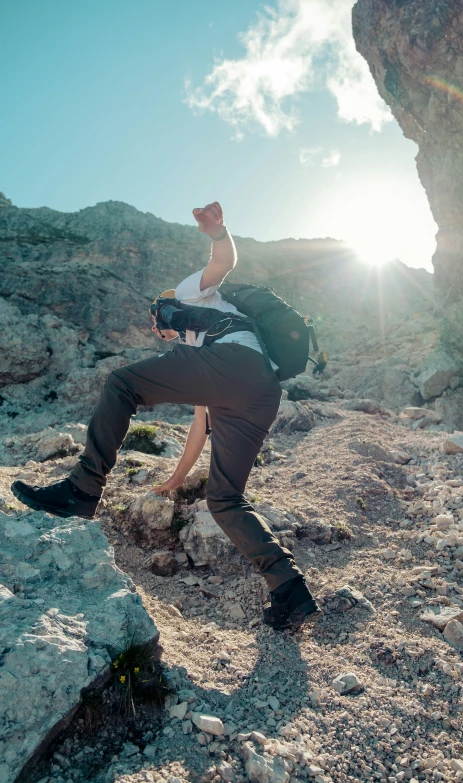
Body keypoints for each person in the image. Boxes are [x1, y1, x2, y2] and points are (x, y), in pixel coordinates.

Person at [11, 202, 320, 631]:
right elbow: (200, 425)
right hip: (261, 391)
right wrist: (176, 478)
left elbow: (224, 261)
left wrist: (217, 231)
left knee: (121, 384)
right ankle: (290, 589)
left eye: (155, 320)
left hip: (236, 369)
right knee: (226, 500)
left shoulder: (191, 293)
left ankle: (80, 492)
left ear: (164, 308)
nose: (157, 328)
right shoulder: (201, 350)